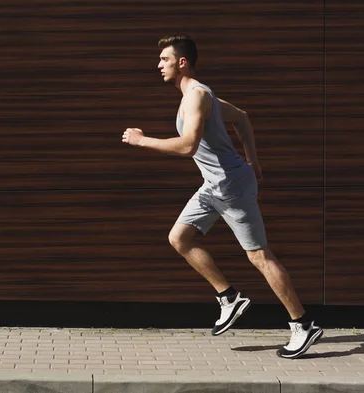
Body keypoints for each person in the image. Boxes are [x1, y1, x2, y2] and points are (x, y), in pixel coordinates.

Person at [121, 34, 323, 359]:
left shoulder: (197, 96)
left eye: (165, 60)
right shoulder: (195, 95)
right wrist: (254, 158)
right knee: (179, 238)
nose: (159, 65)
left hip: (231, 187)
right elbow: (242, 117)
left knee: (259, 256)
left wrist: (142, 141)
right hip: (213, 186)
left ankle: (303, 324)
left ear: (182, 62)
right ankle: (228, 297)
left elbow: (188, 145)